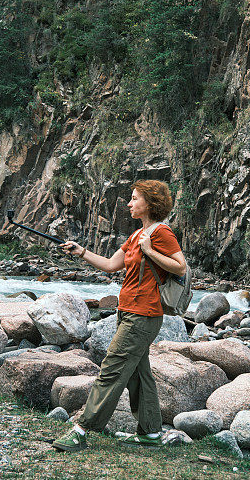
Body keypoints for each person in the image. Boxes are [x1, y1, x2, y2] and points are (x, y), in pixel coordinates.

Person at [51, 179, 187, 452]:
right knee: (139, 374)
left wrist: (150, 251)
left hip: (144, 314)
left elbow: (180, 267)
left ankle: (82, 430)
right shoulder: (137, 234)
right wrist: (82, 252)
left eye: (135, 198)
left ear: (149, 203)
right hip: (128, 312)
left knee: (111, 370)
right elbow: (112, 265)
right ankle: (150, 433)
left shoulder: (160, 233)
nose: (129, 203)